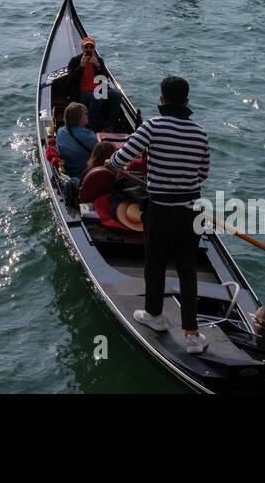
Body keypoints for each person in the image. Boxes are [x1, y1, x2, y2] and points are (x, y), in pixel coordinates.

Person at [108, 75, 211, 354]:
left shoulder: (151, 126)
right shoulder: (200, 133)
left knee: (155, 264)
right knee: (188, 270)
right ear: (187, 101)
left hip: (160, 211)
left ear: (162, 100)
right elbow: (203, 174)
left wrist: (110, 161)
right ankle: (192, 334)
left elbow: (121, 158)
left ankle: (154, 316)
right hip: (190, 212)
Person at [66, 37, 108, 127]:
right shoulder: (75, 61)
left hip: (98, 89)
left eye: (91, 47)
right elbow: (70, 80)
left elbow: (105, 78)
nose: (89, 49)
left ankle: (111, 124)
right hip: (82, 92)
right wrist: (81, 66)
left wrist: (98, 66)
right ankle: (90, 125)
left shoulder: (99, 60)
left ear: (94, 48)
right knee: (97, 97)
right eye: (86, 47)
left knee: (116, 96)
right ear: (82, 48)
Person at [55, 101, 98, 190]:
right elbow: (99, 150)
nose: (87, 115)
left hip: (67, 170)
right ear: (78, 118)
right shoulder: (88, 137)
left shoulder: (60, 131)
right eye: (85, 114)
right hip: (83, 174)